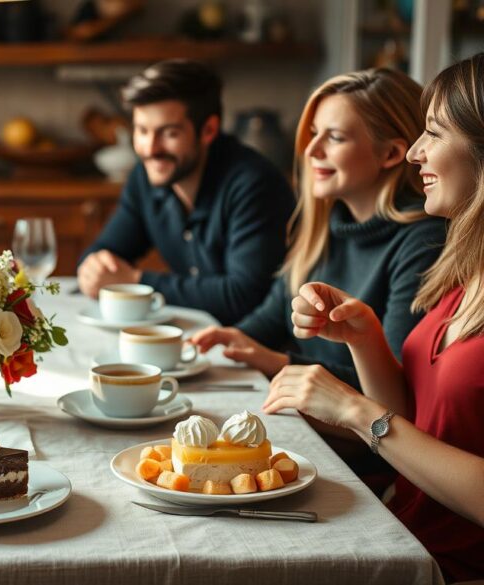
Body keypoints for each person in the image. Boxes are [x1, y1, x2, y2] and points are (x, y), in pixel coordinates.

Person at [265, 54, 484, 581]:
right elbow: (414, 428)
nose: (415, 152)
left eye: (432, 133)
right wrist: (364, 339)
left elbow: (387, 429)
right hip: (400, 535)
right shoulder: (462, 270)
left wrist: (356, 411)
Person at [191, 69, 446, 389]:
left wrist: (281, 364)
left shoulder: (423, 240)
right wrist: (232, 337)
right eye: (314, 133)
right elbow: (272, 319)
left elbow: (397, 389)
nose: (311, 150)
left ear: (392, 153)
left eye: (335, 137)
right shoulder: (326, 221)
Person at [76, 59, 295, 325]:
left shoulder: (254, 184)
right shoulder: (145, 178)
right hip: (194, 337)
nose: (150, 149)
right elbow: (102, 254)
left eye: (169, 133)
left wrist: (135, 281)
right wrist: (93, 269)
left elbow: (244, 296)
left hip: (258, 349)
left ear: (209, 130)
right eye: (142, 131)